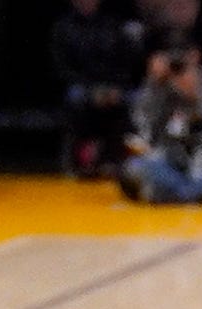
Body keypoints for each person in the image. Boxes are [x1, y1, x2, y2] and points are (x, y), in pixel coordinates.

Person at [122, 45, 202, 202]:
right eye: (175, 69)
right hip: (174, 166)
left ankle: (179, 195)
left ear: (195, 59)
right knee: (134, 167)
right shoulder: (162, 91)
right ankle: (201, 194)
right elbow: (144, 124)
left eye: (184, 67)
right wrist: (154, 82)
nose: (181, 75)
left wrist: (197, 98)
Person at [53, 0, 139, 177]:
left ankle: (119, 160)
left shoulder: (113, 26)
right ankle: (75, 160)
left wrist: (114, 89)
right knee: (75, 97)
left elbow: (124, 64)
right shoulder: (62, 28)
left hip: (112, 86)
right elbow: (62, 68)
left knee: (135, 99)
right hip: (81, 86)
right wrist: (92, 91)